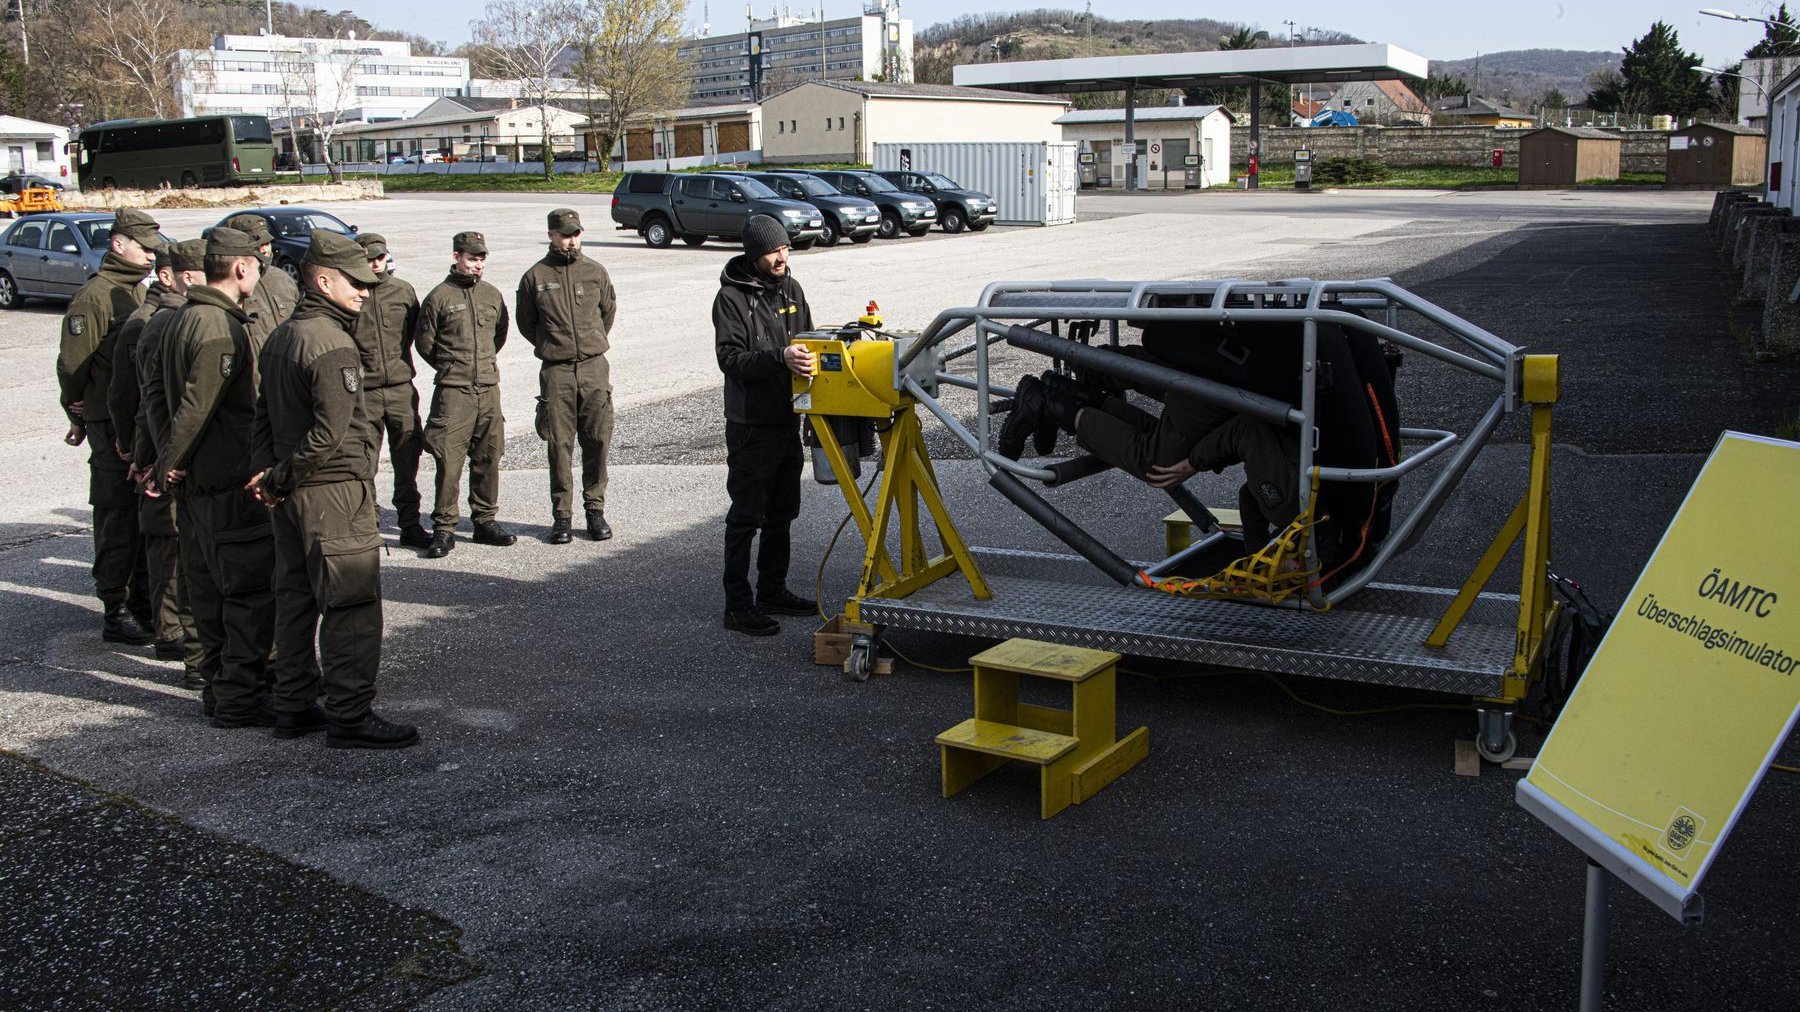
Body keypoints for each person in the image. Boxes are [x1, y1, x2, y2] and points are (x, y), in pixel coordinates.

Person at [250, 231, 416, 749]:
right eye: (356, 283)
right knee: (351, 602)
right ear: (323, 279)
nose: (366, 292)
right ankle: (349, 713)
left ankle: (294, 703)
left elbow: (263, 416)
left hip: (291, 493)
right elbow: (331, 433)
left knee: (295, 596)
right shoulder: (332, 342)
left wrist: (267, 476)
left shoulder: (282, 335)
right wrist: (278, 477)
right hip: (331, 490)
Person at [159, 227, 275, 727]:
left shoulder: (185, 317)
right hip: (224, 481)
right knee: (246, 595)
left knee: (206, 591)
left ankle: (218, 691)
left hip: (200, 485)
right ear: (241, 267)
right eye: (257, 265)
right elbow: (196, 407)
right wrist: (173, 461)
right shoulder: (217, 328)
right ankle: (240, 698)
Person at [712, 215, 819, 636]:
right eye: (774, 251)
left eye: (786, 249)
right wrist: (780, 358)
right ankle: (737, 606)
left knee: (782, 513)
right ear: (755, 254)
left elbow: (809, 341)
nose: (782, 257)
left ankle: (772, 590)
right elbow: (730, 360)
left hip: (787, 420)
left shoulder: (792, 288)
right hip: (751, 426)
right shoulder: (731, 298)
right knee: (745, 516)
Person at [57, 206, 159, 645]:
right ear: (119, 245)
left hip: (133, 419)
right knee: (117, 512)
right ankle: (115, 608)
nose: (153, 256)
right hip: (105, 420)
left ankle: (141, 600)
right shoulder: (95, 296)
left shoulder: (137, 292)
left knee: (140, 513)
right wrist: (75, 414)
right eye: (145, 248)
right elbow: (73, 366)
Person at [106, 240, 194, 664]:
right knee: (166, 546)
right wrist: (135, 453)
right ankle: (170, 630)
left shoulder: (174, 319)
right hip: (159, 452)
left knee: (173, 546)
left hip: (163, 451)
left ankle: (171, 626)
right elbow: (131, 399)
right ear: (168, 276)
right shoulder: (150, 324)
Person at [132, 238, 210, 691]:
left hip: (181, 458)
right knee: (177, 551)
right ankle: (172, 635)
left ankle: (182, 638)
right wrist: (156, 460)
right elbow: (149, 401)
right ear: (179, 276)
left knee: (188, 552)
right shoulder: (161, 325)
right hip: (174, 461)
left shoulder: (188, 321)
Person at [515, 208, 617, 544]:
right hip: (556, 371)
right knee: (559, 445)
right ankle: (562, 516)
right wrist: (553, 345)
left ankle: (595, 509)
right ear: (551, 235)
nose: (571, 240)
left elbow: (607, 312)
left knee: (597, 440)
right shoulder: (535, 277)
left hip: (593, 367)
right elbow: (526, 324)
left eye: (575, 234)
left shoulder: (595, 272)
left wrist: (588, 342)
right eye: (564, 234)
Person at [415, 231, 515, 558]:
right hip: (453, 390)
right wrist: (453, 368)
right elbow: (425, 344)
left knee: (488, 455)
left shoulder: (492, 296)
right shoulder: (439, 297)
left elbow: (499, 336)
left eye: (482, 258)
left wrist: (480, 366)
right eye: (472, 258)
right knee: (449, 460)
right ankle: (444, 528)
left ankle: (485, 521)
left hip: (488, 387)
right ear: (457, 256)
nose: (478, 265)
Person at [352, 232, 430, 549]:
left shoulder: (403, 291)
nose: (375, 263)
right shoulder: (351, 293)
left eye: (379, 257)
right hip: (364, 393)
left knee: (407, 458)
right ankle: (368, 524)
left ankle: (409, 523)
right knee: (363, 462)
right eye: (368, 258)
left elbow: (415, 332)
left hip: (400, 388)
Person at [225, 213, 299, 343]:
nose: (265, 249)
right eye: (258, 243)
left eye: (267, 243)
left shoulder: (282, 278)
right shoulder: (230, 285)